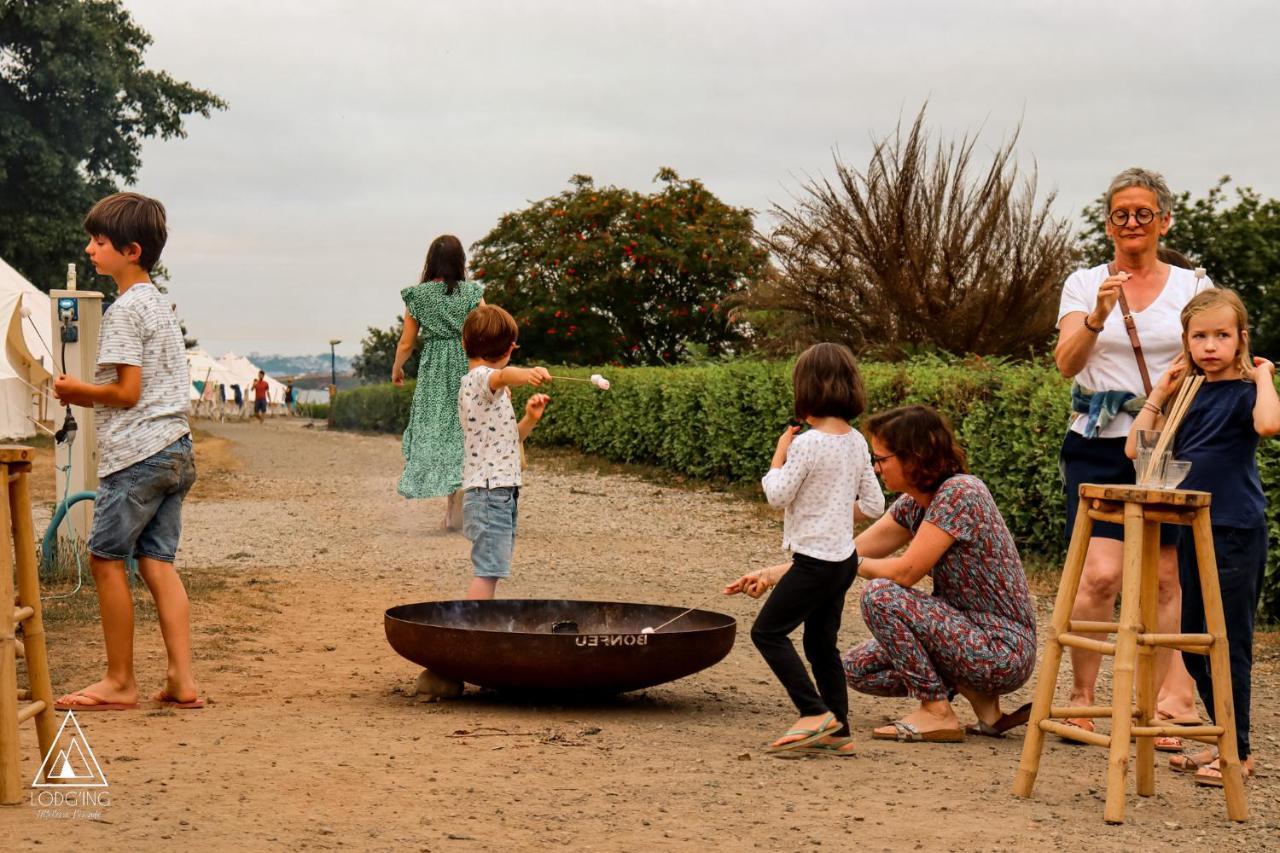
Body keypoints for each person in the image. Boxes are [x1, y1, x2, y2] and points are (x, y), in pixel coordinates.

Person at [738, 406, 1037, 743]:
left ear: (916, 456)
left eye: (881, 459)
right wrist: (772, 575)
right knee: (857, 668)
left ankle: (936, 711)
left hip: (1002, 649)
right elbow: (844, 550)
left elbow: (905, 572)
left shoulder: (961, 494)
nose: (875, 468)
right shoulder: (913, 504)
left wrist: (846, 565)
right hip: (963, 633)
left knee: (881, 595)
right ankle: (982, 702)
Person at [1054, 167, 1211, 739]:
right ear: (1107, 225)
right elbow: (1067, 364)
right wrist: (1098, 314)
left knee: (1166, 576)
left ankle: (1158, 703)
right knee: (1099, 575)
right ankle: (1081, 697)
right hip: (1097, 439)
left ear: (1164, 220)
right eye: (1121, 214)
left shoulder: (1193, 285)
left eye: (1143, 213)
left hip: (1164, 440)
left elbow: (1216, 347)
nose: (1132, 224)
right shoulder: (1083, 282)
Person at [52, 191, 202, 711]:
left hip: (136, 456)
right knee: (158, 562)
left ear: (130, 250)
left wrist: (76, 392)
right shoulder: (159, 306)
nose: (90, 249)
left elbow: (126, 392)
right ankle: (181, 680)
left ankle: (119, 681)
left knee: (104, 558)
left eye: (99, 242)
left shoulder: (123, 312)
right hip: (176, 448)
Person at [1125, 288, 1278, 786]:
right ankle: (1220, 737)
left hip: (1233, 527)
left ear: (1241, 339)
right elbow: (1136, 448)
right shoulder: (1190, 394)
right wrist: (1161, 392)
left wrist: (1265, 375)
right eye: (1199, 336)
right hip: (1190, 525)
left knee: (1228, 641)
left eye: (1222, 335)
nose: (1210, 345)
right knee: (1194, 639)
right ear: (1186, 342)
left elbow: (1269, 424)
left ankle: (1239, 751)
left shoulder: (1245, 391)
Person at [724, 343, 884, 756]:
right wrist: (833, 511)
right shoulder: (856, 442)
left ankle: (813, 713)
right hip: (843, 561)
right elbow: (874, 505)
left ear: (806, 390)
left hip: (813, 563)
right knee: (819, 644)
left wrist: (778, 454)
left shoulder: (807, 444)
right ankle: (839, 730)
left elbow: (777, 495)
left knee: (768, 633)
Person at [392, 235, 485, 530]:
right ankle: (462, 508)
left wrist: (397, 367)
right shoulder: (472, 294)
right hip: (469, 363)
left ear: (430, 261)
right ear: (461, 261)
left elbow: (407, 342)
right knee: (467, 430)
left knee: (443, 432)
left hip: (434, 371)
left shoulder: (419, 296)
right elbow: (488, 327)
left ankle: (451, 511)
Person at [458, 304, 550, 600]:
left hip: (500, 491)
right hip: (489, 493)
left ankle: (476, 628)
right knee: (487, 571)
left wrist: (530, 419)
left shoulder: (489, 389)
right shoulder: (480, 380)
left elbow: (511, 441)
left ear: (464, 343)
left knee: (492, 569)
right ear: (510, 347)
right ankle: (473, 631)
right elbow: (501, 376)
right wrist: (527, 374)